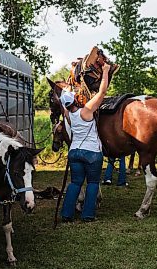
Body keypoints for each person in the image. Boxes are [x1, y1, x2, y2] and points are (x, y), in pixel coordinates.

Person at [60, 63, 111, 222]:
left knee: (75, 183)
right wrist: (105, 72)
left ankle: (66, 215)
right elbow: (102, 92)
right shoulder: (86, 111)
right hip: (92, 153)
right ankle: (88, 215)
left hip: (74, 152)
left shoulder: (67, 114)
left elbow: (65, 102)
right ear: (75, 99)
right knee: (93, 183)